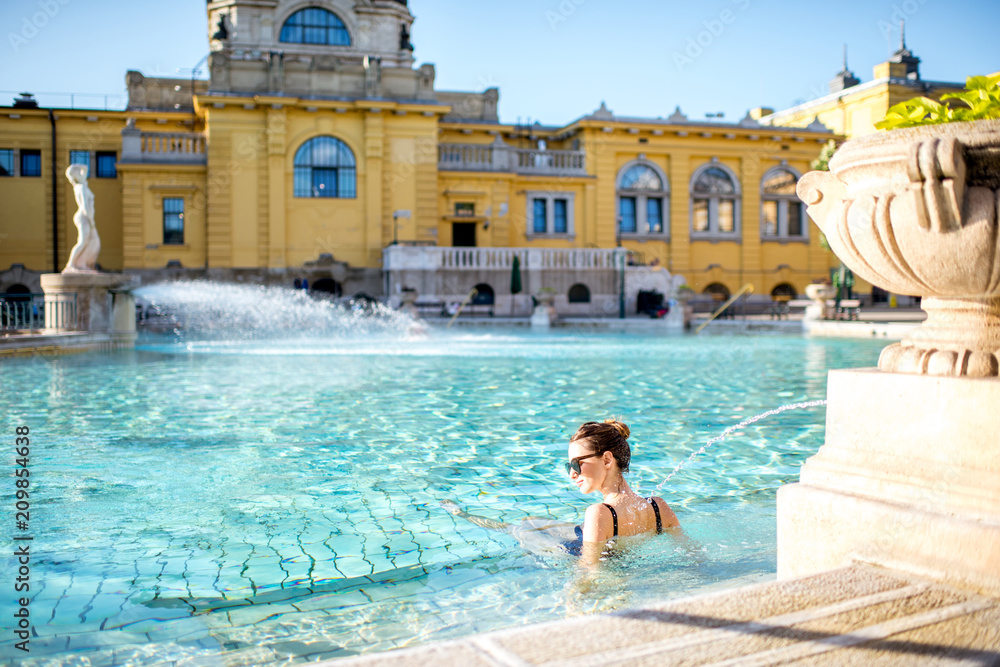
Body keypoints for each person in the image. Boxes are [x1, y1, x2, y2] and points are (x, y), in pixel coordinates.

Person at [567, 419, 679, 562]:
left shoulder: (598, 513)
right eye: (568, 466)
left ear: (607, 460)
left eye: (577, 464)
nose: (572, 474)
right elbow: (693, 553)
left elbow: (589, 571)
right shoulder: (659, 508)